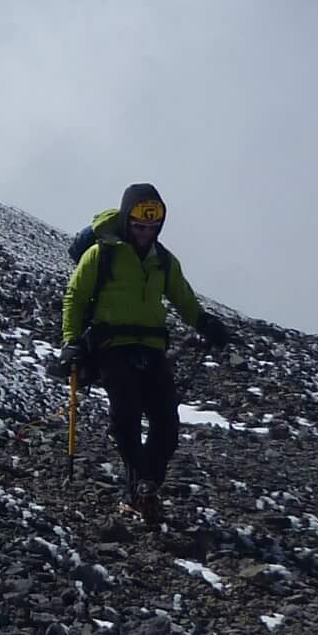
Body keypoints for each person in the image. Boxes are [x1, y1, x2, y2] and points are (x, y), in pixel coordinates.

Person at [59, 182, 230, 524]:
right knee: (126, 415)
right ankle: (140, 488)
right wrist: (71, 342)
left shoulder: (164, 262)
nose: (145, 233)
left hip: (151, 348)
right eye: (139, 226)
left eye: (152, 227)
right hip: (112, 347)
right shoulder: (101, 254)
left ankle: (146, 485)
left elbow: (184, 300)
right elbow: (75, 298)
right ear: (126, 221)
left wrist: (206, 324)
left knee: (166, 424)